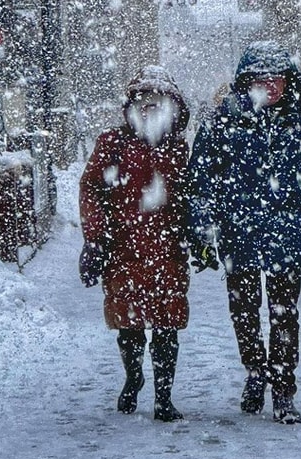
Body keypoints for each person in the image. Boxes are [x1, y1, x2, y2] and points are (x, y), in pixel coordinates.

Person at [189, 40, 301, 424]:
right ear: (245, 81)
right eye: (260, 78)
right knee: (243, 311)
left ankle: (284, 386)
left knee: (284, 312)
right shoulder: (222, 121)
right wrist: (201, 232)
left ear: (289, 80)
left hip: (288, 229)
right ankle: (256, 371)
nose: (269, 85)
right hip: (238, 230)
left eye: (276, 78)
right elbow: (201, 180)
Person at [79, 66, 211, 422]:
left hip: (168, 251)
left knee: (168, 326)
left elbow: (192, 197)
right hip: (123, 249)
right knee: (129, 325)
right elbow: (91, 189)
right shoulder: (113, 144)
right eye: (145, 104)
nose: (152, 111)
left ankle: (164, 396)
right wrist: (95, 238)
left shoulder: (178, 151)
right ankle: (133, 377)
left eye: (160, 104)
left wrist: (198, 236)